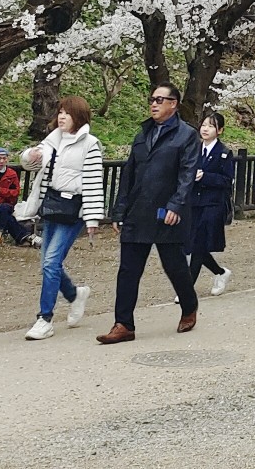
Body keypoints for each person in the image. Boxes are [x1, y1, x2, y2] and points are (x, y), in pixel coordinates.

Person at [98, 83, 199, 343]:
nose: (153, 104)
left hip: (166, 212)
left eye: (159, 99)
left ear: (173, 103)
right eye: (151, 99)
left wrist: (176, 206)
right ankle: (123, 324)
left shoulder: (186, 135)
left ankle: (189, 307)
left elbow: (187, 175)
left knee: (174, 266)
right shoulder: (143, 133)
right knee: (128, 269)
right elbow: (129, 173)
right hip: (137, 210)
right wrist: (119, 210)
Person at [17, 95, 105, 340]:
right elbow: (33, 163)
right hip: (52, 205)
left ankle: (44, 318)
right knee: (49, 263)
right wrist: (29, 157)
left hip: (73, 209)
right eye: (60, 112)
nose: (62, 116)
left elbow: (94, 183)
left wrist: (92, 218)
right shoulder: (52, 140)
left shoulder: (90, 144)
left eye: (67, 112)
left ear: (79, 116)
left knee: (50, 262)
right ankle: (75, 294)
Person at [188, 111, 235, 297]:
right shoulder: (194, 150)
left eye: (211, 125)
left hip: (213, 204)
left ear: (220, 130)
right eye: (204, 125)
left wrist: (205, 177)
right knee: (194, 245)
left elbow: (227, 180)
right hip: (194, 202)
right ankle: (220, 272)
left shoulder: (224, 153)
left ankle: (187, 288)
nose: (205, 129)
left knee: (199, 244)